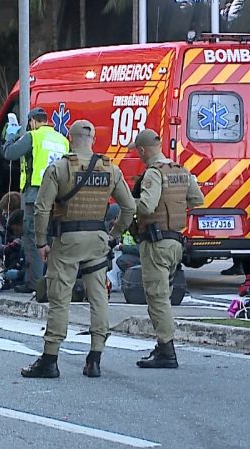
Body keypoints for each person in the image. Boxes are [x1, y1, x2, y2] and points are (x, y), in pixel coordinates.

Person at [20, 120, 135, 379]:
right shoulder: (110, 169)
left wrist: (41, 242)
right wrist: (112, 236)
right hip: (97, 239)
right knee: (98, 297)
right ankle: (95, 358)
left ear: (70, 139)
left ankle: (50, 359)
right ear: (93, 139)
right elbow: (129, 208)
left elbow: (42, 208)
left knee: (60, 298)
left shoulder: (59, 168)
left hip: (67, 240)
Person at [130, 129, 204, 369]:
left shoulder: (153, 174)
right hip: (175, 242)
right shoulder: (180, 170)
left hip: (156, 243)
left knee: (157, 298)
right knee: (164, 296)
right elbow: (197, 199)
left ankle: (166, 350)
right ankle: (164, 346)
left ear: (142, 150)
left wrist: (126, 202)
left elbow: (147, 206)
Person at [2, 107, 70, 294]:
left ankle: (35, 284)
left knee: (34, 239)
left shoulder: (33, 136)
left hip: (36, 195)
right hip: (57, 197)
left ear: (32, 122)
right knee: (52, 238)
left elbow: (9, 153)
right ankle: (53, 282)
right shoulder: (62, 140)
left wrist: (10, 136)